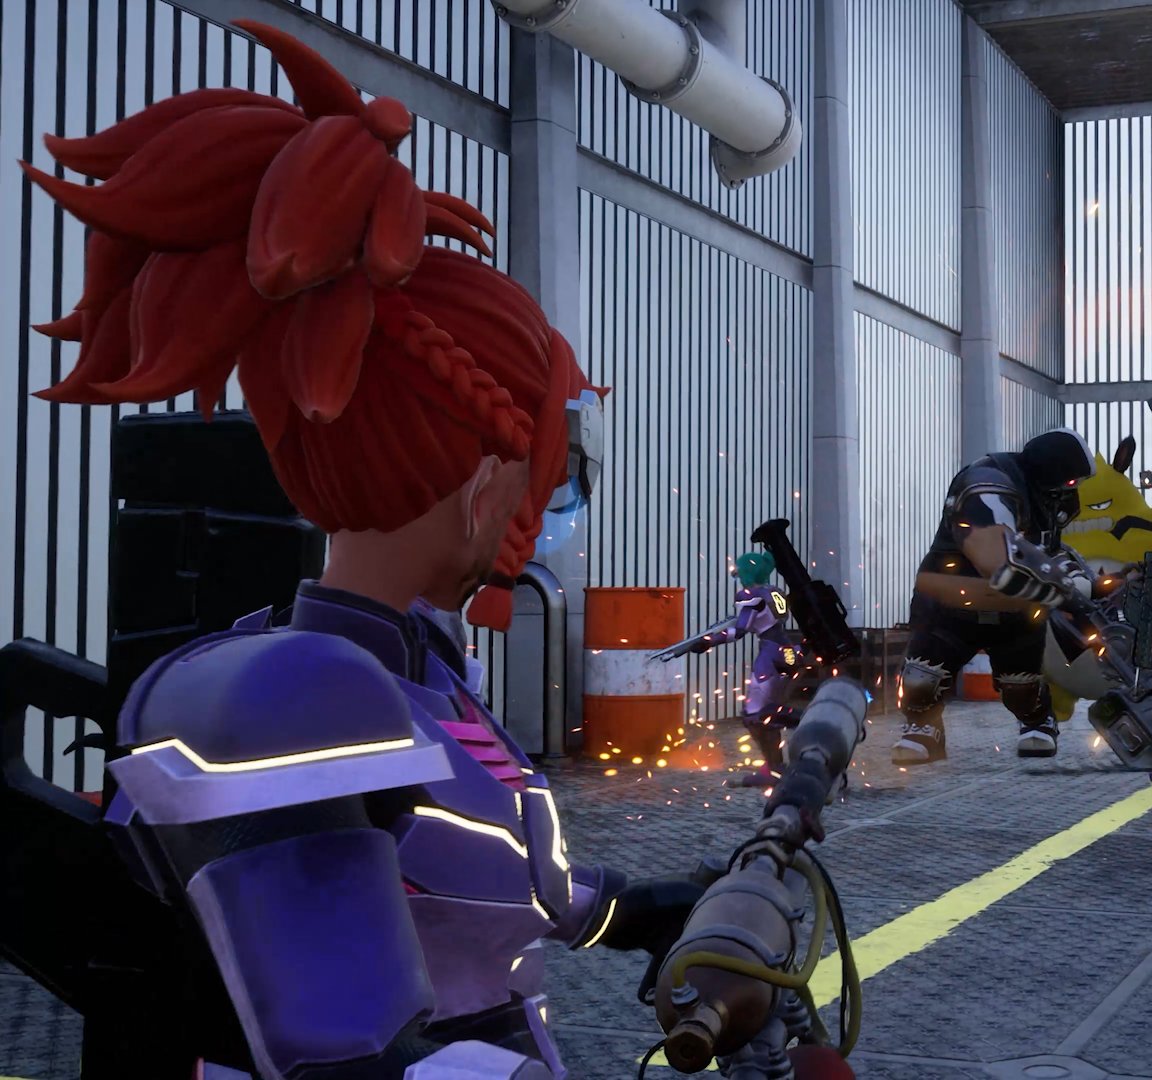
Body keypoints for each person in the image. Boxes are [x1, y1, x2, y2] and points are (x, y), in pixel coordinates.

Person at [28, 22, 700, 1079]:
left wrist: (643, 908)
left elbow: (496, 881)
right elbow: (346, 1056)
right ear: (482, 484)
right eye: (539, 469)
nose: (544, 505)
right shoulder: (295, 701)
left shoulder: (423, 671)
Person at [894, 428, 1098, 765]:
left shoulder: (1044, 498)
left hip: (1012, 607)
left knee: (1021, 685)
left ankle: (1036, 720)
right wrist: (1056, 583)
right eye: (1071, 481)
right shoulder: (988, 482)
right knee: (922, 678)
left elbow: (1047, 548)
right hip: (952, 596)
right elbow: (999, 550)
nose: (1071, 490)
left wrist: (1073, 578)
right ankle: (922, 726)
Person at [682, 552, 801, 788]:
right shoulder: (775, 591)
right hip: (787, 651)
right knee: (768, 711)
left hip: (770, 654)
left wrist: (708, 641)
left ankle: (779, 761)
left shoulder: (752, 596)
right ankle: (775, 766)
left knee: (755, 715)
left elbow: (739, 631)